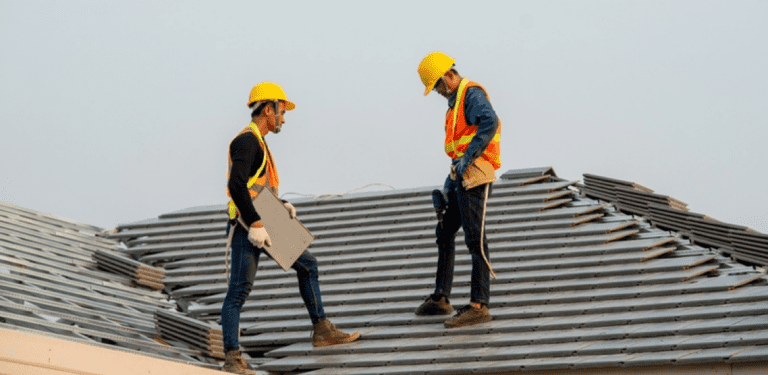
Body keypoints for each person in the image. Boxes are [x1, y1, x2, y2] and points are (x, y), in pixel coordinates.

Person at [221, 82, 360, 374]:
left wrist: (279, 204)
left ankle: (321, 329)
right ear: (268, 110)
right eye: (281, 112)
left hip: (264, 214)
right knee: (239, 291)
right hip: (251, 221)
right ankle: (233, 358)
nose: (283, 119)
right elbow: (236, 184)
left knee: (307, 266)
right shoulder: (247, 141)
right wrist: (257, 223)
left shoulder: (258, 140)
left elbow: (253, 185)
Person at [414, 52, 502, 328]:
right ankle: (441, 297)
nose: (438, 92)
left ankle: (479, 304)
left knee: (474, 238)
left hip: (475, 172)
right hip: (460, 173)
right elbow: (456, 149)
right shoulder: (454, 104)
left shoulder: (471, 94)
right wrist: (449, 184)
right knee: (445, 231)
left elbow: (490, 122)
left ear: (447, 77)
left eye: (437, 86)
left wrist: (469, 158)